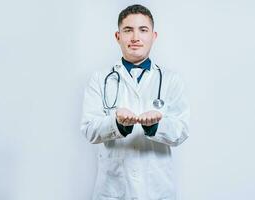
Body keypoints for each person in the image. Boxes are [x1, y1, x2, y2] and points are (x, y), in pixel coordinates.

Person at [81, 4, 190, 200]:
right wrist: (117, 124)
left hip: (157, 191)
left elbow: (181, 131)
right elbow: (89, 129)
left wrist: (155, 126)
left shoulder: (171, 80)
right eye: (128, 30)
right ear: (118, 36)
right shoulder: (99, 79)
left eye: (143, 30)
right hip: (113, 191)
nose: (135, 38)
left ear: (154, 36)